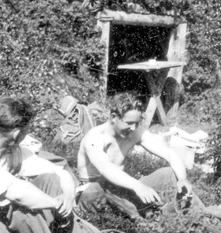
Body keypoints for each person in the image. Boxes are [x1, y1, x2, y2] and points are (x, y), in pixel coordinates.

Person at [0, 96, 99, 233]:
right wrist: (55, 204)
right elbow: (17, 193)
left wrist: (66, 197)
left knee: (51, 180)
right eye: (27, 129)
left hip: (5, 214)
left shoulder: (10, 150)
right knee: (23, 209)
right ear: (17, 134)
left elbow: (60, 173)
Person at [77, 92, 195, 220]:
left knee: (169, 173)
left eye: (137, 123)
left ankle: (204, 222)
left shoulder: (135, 132)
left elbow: (170, 154)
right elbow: (106, 168)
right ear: (113, 117)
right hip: (96, 190)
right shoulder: (95, 137)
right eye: (129, 122)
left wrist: (182, 178)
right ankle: (149, 219)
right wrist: (138, 186)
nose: (133, 128)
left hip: (122, 187)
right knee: (94, 191)